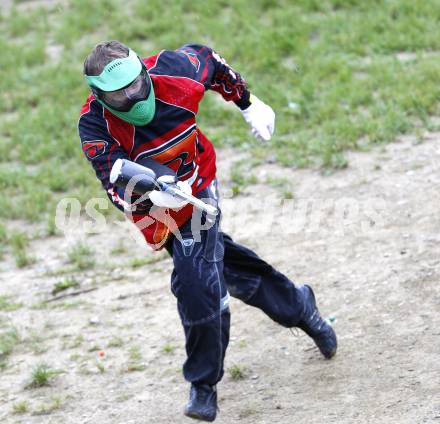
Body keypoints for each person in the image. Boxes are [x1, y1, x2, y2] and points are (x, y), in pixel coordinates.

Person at [78, 40, 337, 422]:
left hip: (199, 187)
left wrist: (249, 102)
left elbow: (212, 62)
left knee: (197, 282)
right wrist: (147, 198)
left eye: (137, 84)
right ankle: (300, 307)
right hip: (156, 207)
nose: (133, 96)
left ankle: (203, 383)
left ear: (144, 72)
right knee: (217, 265)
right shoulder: (94, 124)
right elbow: (113, 183)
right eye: (119, 94)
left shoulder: (175, 70)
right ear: (99, 96)